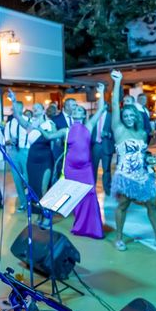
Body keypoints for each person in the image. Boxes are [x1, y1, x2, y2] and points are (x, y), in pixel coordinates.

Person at [31, 89, 106, 238]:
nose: (76, 111)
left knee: (90, 195)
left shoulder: (89, 126)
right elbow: (50, 136)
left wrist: (102, 92)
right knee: (71, 196)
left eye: (80, 109)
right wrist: (39, 128)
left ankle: (93, 229)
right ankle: (76, 225)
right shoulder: (66, 130)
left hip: (85, 169)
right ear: (72, 114)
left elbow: (100, 109)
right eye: (75, 109)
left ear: (84, 115)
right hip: (71, 169)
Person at [110, 70, 156, 251]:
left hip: (142, 173)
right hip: (125, 174)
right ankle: (118, 238)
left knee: (152, 204)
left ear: (136, 116)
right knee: (123, 205)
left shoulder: (142, 133)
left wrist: (149, 158)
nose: (128, 118)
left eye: (131, 115)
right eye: (125, 115)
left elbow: (142, 153)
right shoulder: (118, 129)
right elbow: (114, 104)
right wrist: (118, 82)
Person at [10, 97, 56, 227]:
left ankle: (47, 215)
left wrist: (39, 128)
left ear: (43, 110)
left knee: (44, 188)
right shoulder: (29, 124)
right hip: (32, 160)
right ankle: (40, 214)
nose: (34, 109)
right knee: (35, 189)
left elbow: (52, 136)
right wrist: (14, 100)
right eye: (33, 108)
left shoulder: (49, 124)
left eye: (37, 108)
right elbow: (18, 116)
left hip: (45, 158)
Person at [4, 100, 31, 211]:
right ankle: (23, 203)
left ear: (21, 109)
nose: (15, 110)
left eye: (17, 108)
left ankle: (31, 202)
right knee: (17, 179)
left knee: (29, 179)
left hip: (26, 151)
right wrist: (9, 141)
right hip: (14, 152)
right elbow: (4, 140)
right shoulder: (9, 124)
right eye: (13, 108)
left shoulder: (29, 121)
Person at [91, 87, 115, 195]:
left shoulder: (111, 117)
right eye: (97, 104)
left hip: (106, 145)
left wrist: (109, 134)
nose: (97, 106)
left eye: (99, 104)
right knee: (93, 168)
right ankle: (92, 188)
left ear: (105, 106)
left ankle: (107, 189)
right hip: (95, 146)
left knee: (107, 170)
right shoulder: (92, 116)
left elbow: (115, 132)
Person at [50, 97, 76, 181]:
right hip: (60, 153)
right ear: (67, 106)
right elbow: (53, 136)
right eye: (73, 105)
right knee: (59, 178)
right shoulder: (55, 119)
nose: (75, 107)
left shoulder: (76, 119)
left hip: (74, 153)